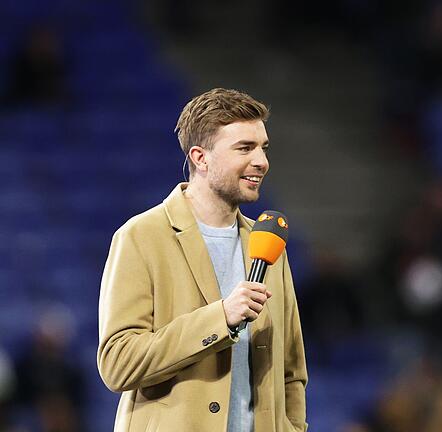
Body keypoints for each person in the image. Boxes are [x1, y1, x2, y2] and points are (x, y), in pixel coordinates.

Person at [97, 88, 308, 432]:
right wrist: (220, 318)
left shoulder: (268, 242)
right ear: (200, 157)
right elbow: (118, 363)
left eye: (263, 148)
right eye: (244, 148)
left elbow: (291, 371)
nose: (261, 161)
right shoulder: (140, 237)